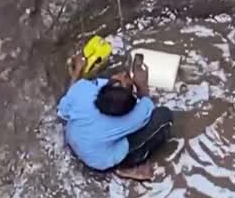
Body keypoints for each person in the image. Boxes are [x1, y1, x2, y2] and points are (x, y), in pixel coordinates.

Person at [58, 53, 174, 181]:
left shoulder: (82, 89)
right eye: (126, 84)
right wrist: (141, 85)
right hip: (99, 162)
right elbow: (148, 107)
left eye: (118, 81)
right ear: (131, 107)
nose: (124, 75)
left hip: (73, 140)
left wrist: (77, 71)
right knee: (164, 116)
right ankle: (124, 168)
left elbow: (64, 110)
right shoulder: (134, 117)